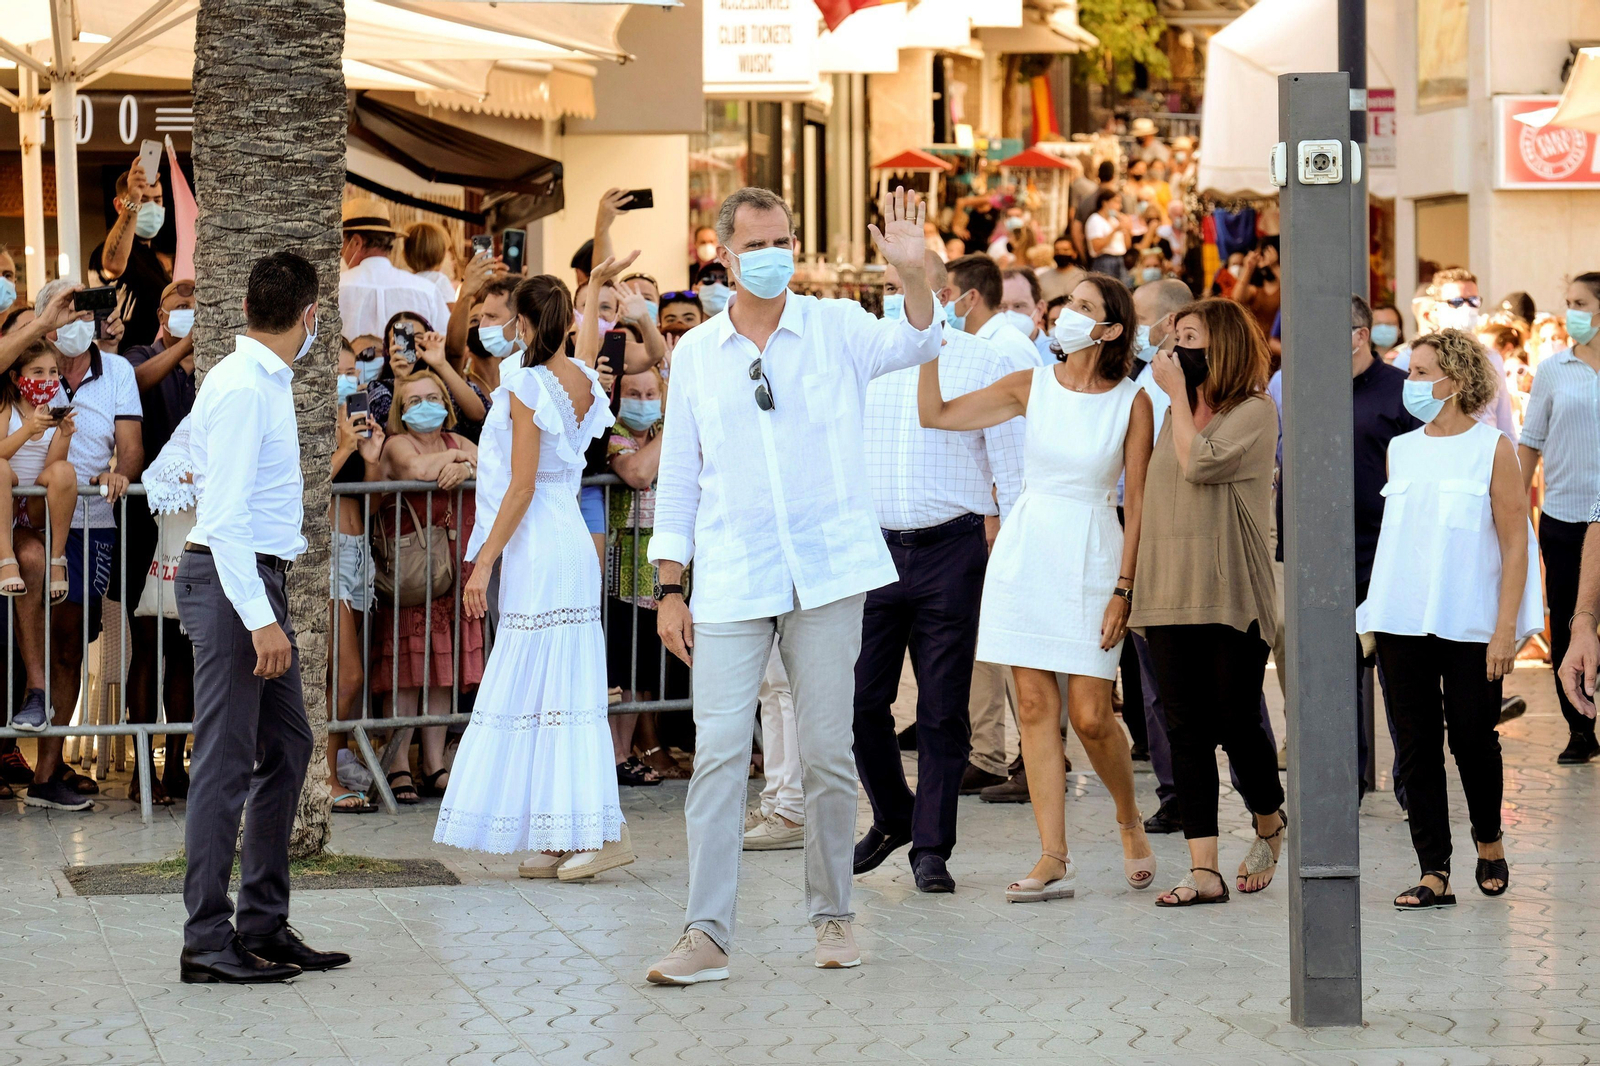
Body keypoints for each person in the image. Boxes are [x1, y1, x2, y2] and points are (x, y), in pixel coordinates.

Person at [644, 187, 939, 984]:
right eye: (757, 244)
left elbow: (919, 340)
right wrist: (669, 585)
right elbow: (680, 474)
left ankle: (833, 915)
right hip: (733, 576)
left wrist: (914, 273)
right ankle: (705, 934)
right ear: (725, 256)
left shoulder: (836, 326)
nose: (774, 255)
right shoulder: (698, 353)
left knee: (827, 752)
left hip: (830, 571)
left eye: (784, 241)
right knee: (717, 756)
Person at [919, 273, 1156, 901]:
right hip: (1028, 551)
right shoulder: (1032, 385)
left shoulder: (1132, 402)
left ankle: (1128, 817)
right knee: (1032, 707)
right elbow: (936, 415)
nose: (1066, 312)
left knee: (1092, 715)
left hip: (1094, 552)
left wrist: (1124, 589)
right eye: (1068, 301)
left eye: (1084, 306)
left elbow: (1138, 502)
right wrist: (923, 345)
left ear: (1110, 329)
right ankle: (1053, 856)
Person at [178, 250, 348, 983]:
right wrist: (260, 618)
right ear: (310, 315)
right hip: (234, 583)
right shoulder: (246, 386)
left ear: (248, 306)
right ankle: (206, 941)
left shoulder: (261, 379)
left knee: (289, 746)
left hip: (253, 581)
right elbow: (223, 518)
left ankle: (262, 923)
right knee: (224, 763)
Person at [435, 268, 633, 882]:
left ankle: (598, 831)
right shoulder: (579, 377)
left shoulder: (525, 385)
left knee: (560, 691)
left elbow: (521, 485)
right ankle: (558, 832)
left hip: (540, 542)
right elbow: (587, 349)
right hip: (564, 537)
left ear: (522, 322)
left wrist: (483, 562)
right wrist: (594, 287)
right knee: (559, 691)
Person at [850, 257, 1029, 893]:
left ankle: (931, 847)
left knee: (942, 708)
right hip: (872, 551)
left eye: (909, 285)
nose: (895, 297)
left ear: (946, 294)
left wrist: (1012, 555)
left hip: (952, 548)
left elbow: (1011, 469)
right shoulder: (864, 357)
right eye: (888, 287)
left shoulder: (983, 360)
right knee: (858, 701)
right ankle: (893, 814)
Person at [1359, 329, 1541, 908]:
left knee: (1472, 739)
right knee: (1414, 747)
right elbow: (1397, 542)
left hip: (1471, 624)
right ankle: (1433, 869)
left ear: (1456, 380)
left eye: (1419, 372)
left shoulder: (1494, 449)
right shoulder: (1402, 448)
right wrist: (1373, 616)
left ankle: (1489, 842)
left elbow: (1515, 542)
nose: (1408, 382)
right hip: (1402, 622)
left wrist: (1505, 628)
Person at [1131, 298, 1285, 907]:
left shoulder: (1255, 410)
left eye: (1189, 338)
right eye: (1175, 340)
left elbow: (1200, 464)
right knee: (1184, 730)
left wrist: (1175, 394)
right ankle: (1204, 871)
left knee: (1236, 720)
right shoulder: (1167, 407)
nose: (1176, 351)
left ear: (1221, 345)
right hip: (1167, 585)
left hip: (1231, 590)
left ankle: (1269, 818)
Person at [8, 281, 143, 809]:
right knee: (17, 642)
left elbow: (130, 447)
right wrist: (37, 331)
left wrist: (119, 473)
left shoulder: (120, 372)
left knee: (68, 644)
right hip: (18, 521)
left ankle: (47, 773)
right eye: (68, 309)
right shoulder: (20, 363)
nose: (79, 318)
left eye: (86, 310)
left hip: (89, 522)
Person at [370, 370, 484, 803]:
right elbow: (416, 469)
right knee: (404, 670)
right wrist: (459, 462)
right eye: (414, 401)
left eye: (433, 398)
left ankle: (434, 763)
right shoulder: (397, 444)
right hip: (412, 573)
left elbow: (493, 463)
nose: (426, 407)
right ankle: (398, 762)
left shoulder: (458, 441)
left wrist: (464, 464)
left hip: (456, 569)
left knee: (441, 671)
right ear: (400, 410)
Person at [121, 279, 200, 803]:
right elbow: (134, 384)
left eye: (198, 307)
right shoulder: (140, 356)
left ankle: (176, 765)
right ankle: (141, 772)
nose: (190, 312)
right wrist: (185, 344)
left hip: (198, 525)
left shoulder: (216, 370)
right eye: (181, 306)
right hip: (146, 522)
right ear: (161, 313)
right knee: (147, 646)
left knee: (186, 651)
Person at [1517, 272, 1600, 764]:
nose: (1571, 312)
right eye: (1568, 302)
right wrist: (1513, 509)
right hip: (1566, 516)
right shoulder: (1552, 370)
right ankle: (1580, 728)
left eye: (1580, 303)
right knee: (1568, 620)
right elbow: (1530, 442)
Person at [605, 366, 683, 787]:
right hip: (620, 573)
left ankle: (627, 750)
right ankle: (617, 753)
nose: (643, 401)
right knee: (621, 667)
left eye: (651, 393)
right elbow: (637, 473)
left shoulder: (660, 428)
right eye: (633, 393)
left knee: (643, 671)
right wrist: (671, 430)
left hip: (658, 571)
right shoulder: (613, 433)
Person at [324, 340, 386, 813]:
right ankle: (323, 778)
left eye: (354, 372)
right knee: (348, 676)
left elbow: (374, 503)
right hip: (321, 556)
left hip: (358, 551)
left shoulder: (358, 421)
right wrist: (343, 446)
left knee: (338, 679)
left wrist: (370, 456)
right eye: (340, 371)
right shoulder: (304, 423)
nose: (350, 380)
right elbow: (302, 491)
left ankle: (328, 767)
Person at [0, 343, 78, 603]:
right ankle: (5, 558)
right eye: (38, 372)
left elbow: (53, 471)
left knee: (64, 471)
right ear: (16, 377)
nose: (47, 379)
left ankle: (57, 559)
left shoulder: (53, 413)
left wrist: (64, 435)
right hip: (6, 500)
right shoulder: (7, 407)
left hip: (35, 506)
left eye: (53, 372)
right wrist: (28, 430)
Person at [338, 198, 450, 342]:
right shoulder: (426, 290)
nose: (341, 252)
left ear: (356, 242)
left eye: (342, 244)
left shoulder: (336, 288)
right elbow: (445, 342)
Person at [91, 157, 172, 350]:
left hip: (158, 358)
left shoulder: (153, 258)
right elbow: (113, 265)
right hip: (126, 359)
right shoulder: (107, 251)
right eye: (143, 200)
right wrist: (133, 199)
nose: (152, 207)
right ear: (120, 205)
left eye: (157, 200)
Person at [941, 255, 1044, 369]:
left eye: (947, 294)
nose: (941, 301)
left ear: (971, 297)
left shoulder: (1008, 347)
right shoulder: (976, 342)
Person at [1000, 268, 1053, 363]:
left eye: (1018, 306)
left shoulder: (1059, 357)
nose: (1009, 314)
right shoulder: (984, 352)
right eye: (1002, 307)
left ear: (1039, 309)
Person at [402, 221, 458, 311]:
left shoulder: (406, 281)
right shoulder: (440, 280)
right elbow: (451, 312)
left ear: (406, 255)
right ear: (441, 255)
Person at [1084, 190, 1131, 281]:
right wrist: (1115, 230)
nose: (1120, 206)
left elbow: (1127, 245)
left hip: (1120, 260)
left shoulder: (1114, 220)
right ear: (1105, 203)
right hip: (1104, 261)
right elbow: (1097, 247)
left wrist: (1127, 228)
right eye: (1116, 202)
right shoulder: (1095, 220)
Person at [1036, 238, 1084, 303]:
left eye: (1065, 250)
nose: (1061, 253)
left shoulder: (1083, 278)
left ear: (1074, 253)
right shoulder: (1042, 278)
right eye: (1057, 250)